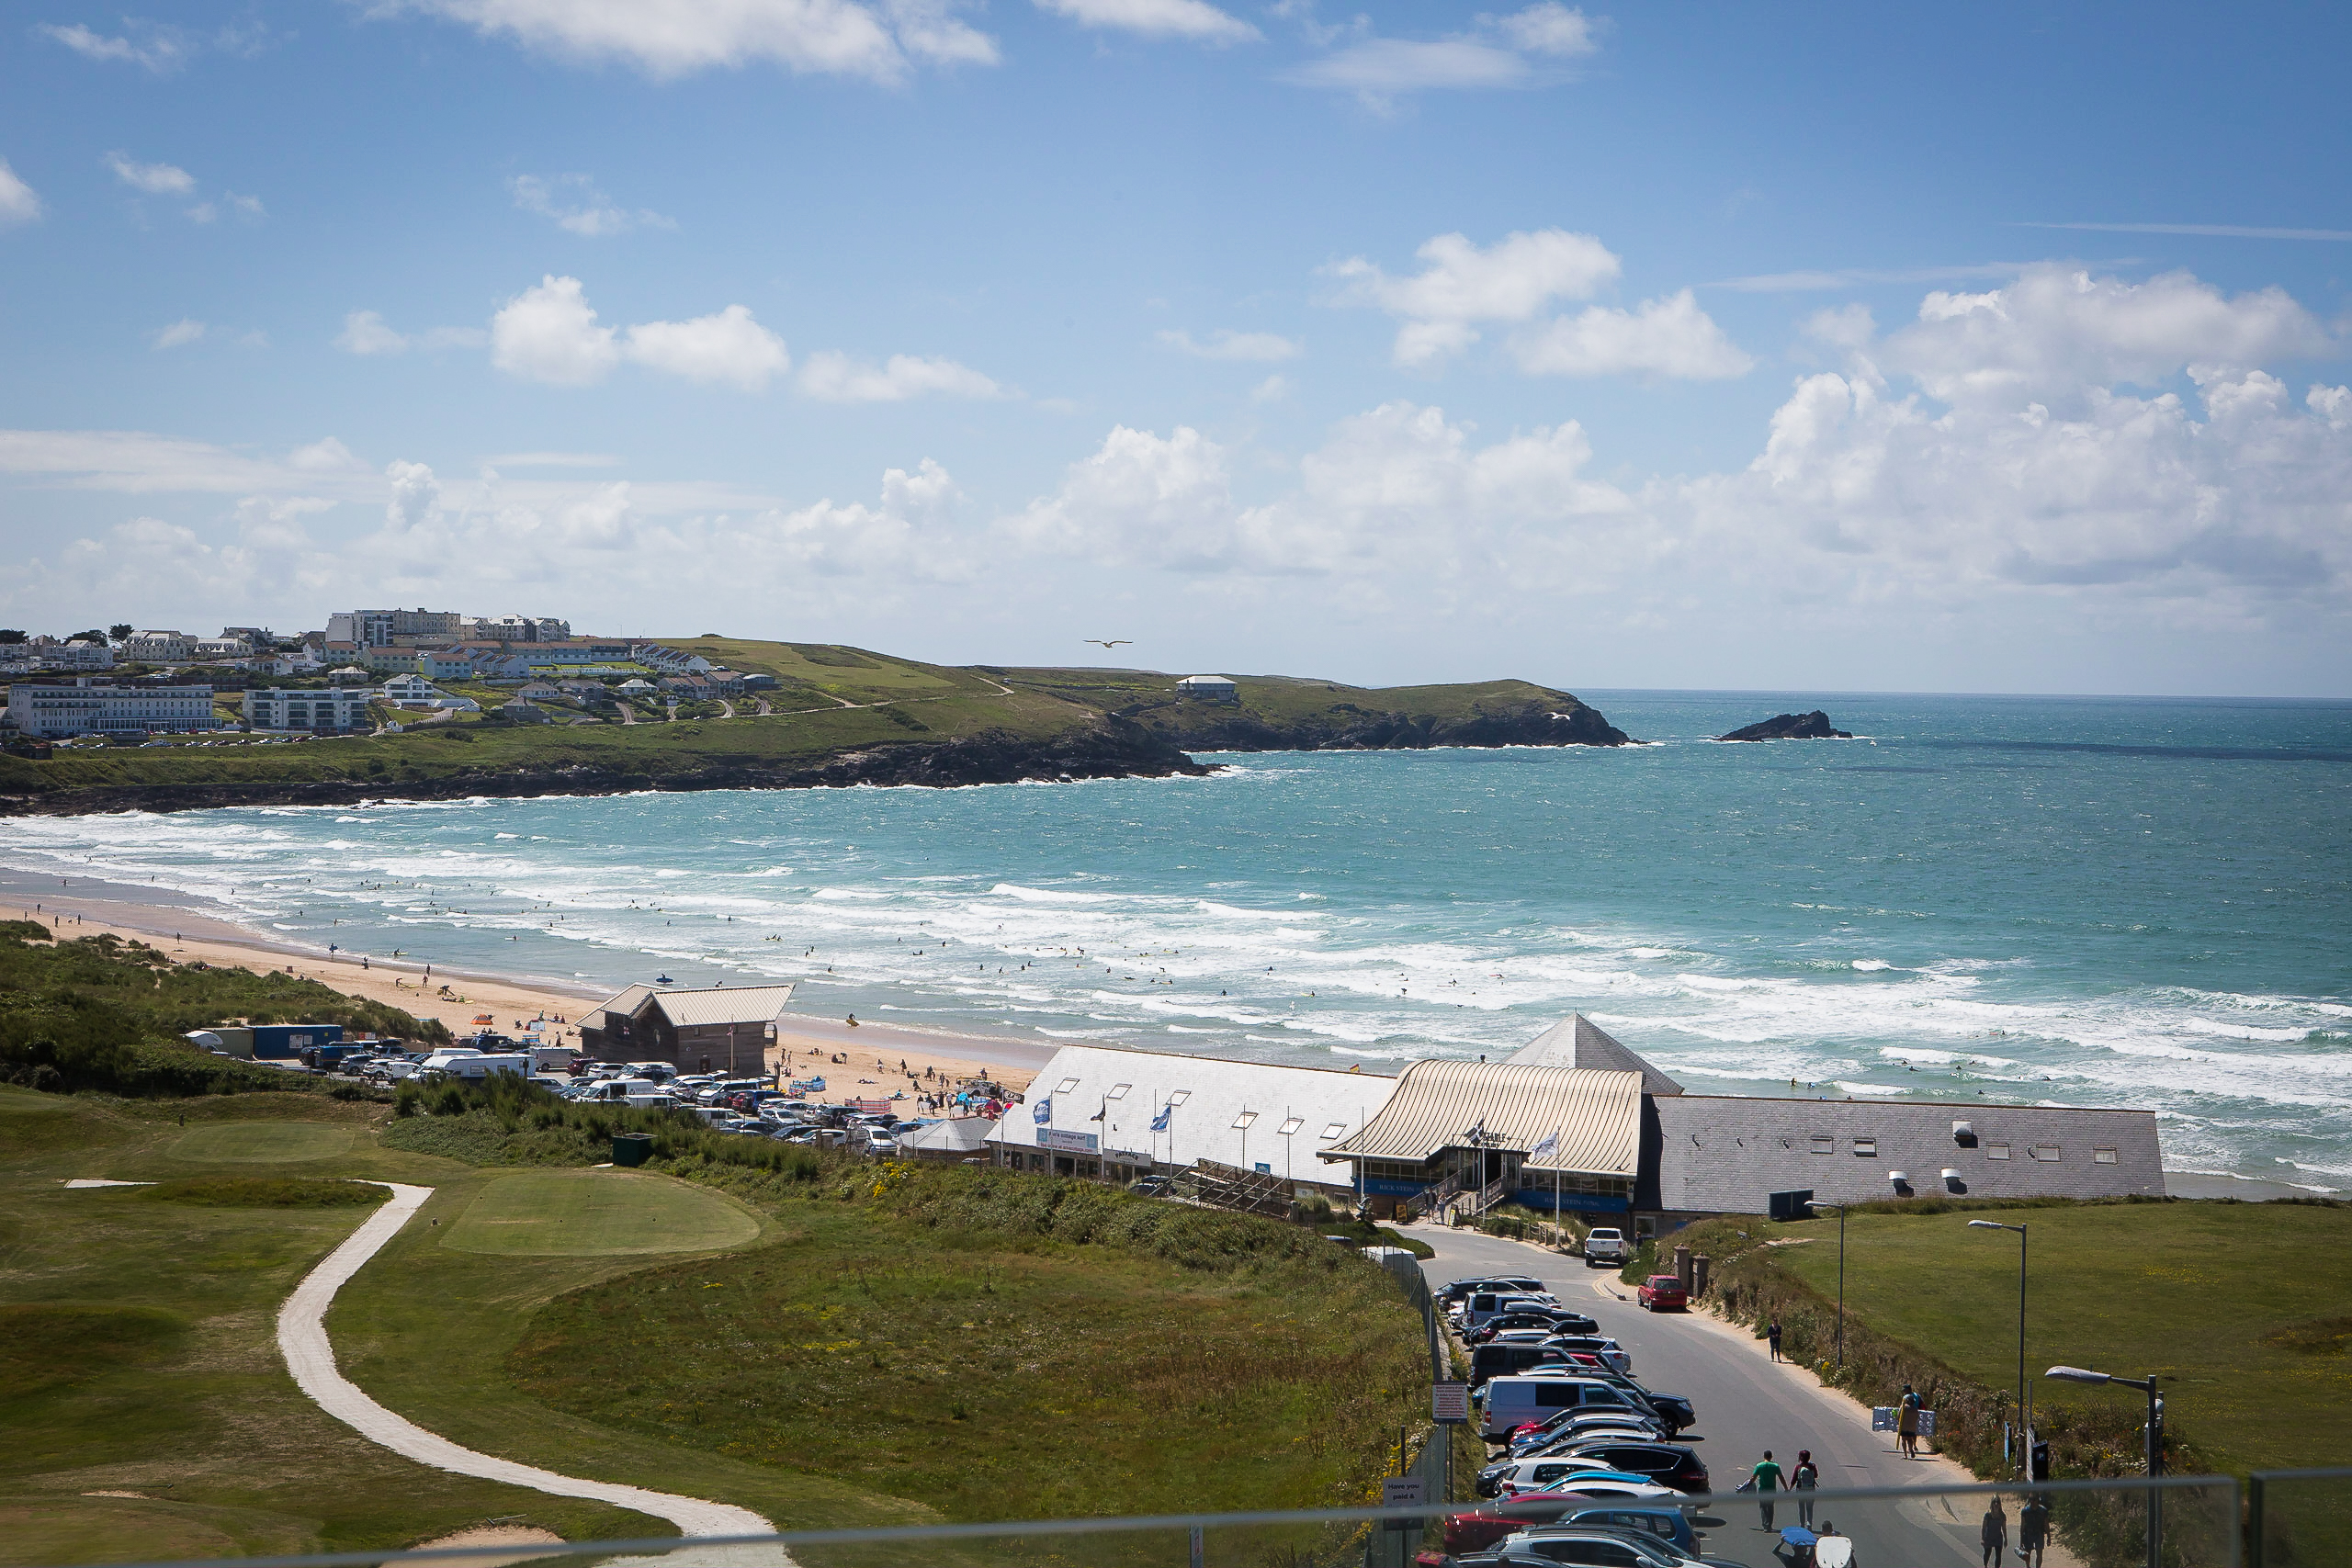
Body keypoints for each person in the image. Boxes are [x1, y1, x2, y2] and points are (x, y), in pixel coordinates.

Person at [1752, 1450, 1783, 1529]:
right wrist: (1786, 1488)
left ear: (1764, 1456)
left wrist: (1747, 1485)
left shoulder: (1759, 1466)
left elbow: (1753, 1477)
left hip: (1762, 1489)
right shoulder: (1775, 1466)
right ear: (1771, 1457)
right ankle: (1769, 1524)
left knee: (1763, 1507)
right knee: (1770, 1507)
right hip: (1772, 1489)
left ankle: (1765, 1524)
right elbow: (1781, 1477)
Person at [2018, 1499, 2049, 1568]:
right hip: (2028, 1533)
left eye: (2034, 1500)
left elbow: (2046, 1524)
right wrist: (2021, 1539)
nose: (2032, 1502)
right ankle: (2028, 1566)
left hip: (2039, 1533)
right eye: (2031, 1500)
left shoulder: (2043, 1510)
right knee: (2028, 1553)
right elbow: (2022, 1525)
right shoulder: (2025, 1511)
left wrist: (2049, 1537)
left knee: (2039, 1553)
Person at [1792, 1450, 1819, 1527]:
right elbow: (1816, 1475)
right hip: (1811, 1489)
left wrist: (1789, 1489)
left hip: (1800, 1489)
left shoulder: (1798, 1467)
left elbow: (1794, 1479)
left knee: (1801, 1507)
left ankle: (1802, 1524)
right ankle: (1809, 1524)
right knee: (1809, 1508)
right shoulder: (1812, 1466)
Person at [1981, 1499, 2007, 1567]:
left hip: (1998, 1538)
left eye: (1998, 1502)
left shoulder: (2002, 1516)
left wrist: (2006, 1539)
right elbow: (1984, 1527)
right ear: (1992, 1504)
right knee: (1987, 1553)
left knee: (1998, 1556)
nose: (1996, 1504)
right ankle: (1985, 1565)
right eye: (1994, 1502)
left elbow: (2004, 1528)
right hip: (1988, 1537)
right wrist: (1983, 1539)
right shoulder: (1988, 1515)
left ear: (2000, 1504)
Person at [1898, 1384, 1923, 1459]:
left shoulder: (1904, 1405)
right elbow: (1917, 1417)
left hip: (1904, 1425)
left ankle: (1905, 1455)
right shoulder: (1916, 1396)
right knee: (1910, 1438)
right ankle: (1912, 1447)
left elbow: (1899, 1416)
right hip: (1912, 1425)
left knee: (1904, 1439)